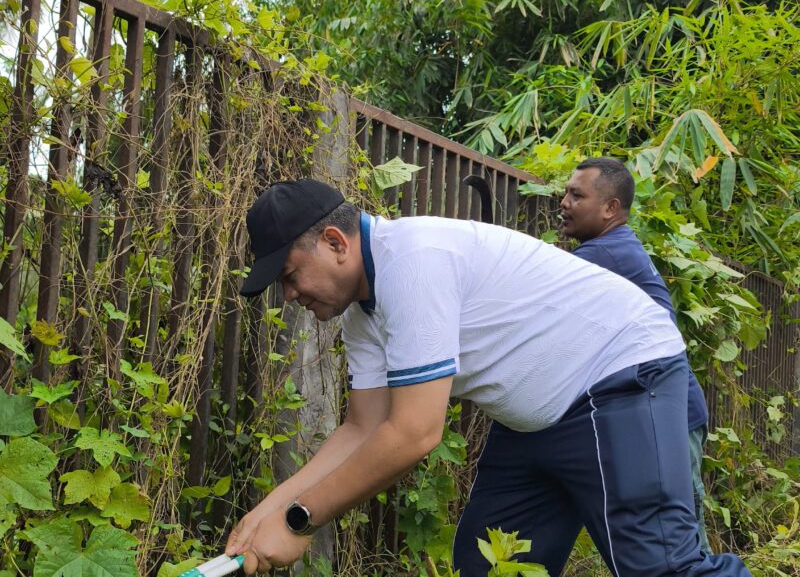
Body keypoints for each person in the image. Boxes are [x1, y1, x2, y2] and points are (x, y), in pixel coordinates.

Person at [226, 178, 751, 576]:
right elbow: (362, 428)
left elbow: (414, 433)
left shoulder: (413, 262)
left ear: (336, 243)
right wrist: (267, 511)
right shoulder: (363, 312)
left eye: (289, 276)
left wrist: (299, 519)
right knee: (488, 563)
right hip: (537, 415)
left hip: (620, 376)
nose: (289, 295)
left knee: (661, 567)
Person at [560, 157, 712, 554]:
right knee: (664, 540)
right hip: (658, 410)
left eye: (577, 195)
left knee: (682, 543)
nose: (564, 202)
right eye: (566, 193)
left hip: (671, 417)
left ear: (611, 208)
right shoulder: (614, 248)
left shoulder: (604, 256)